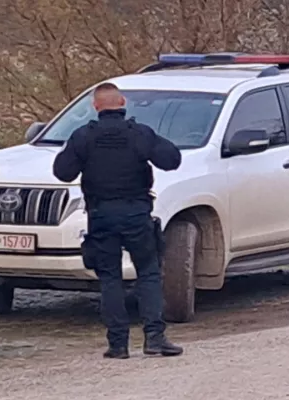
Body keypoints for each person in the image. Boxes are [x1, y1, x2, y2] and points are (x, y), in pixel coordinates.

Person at [53, 82, 183, 359]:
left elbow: (62, 172)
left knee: (110, 278)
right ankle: (154, 338)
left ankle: (117, 344)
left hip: (101, 216)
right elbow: (172, 160)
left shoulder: (83, 136)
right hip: (136, 213)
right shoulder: (139, 134)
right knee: (147, 273)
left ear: (95, 106)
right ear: (122, 103)